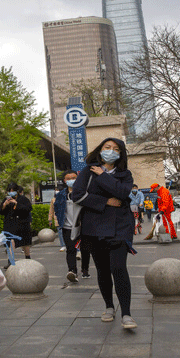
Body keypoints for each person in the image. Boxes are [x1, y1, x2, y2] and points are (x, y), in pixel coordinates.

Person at [70, 137, 137, 329]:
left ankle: (126, 313)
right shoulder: (87, 171)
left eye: (116, 149)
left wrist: (103, 175)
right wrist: (106, 201)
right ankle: (109, 306)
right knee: (103, 270)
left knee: (119, 268)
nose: (111, 151)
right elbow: (77, 195)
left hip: (120, 228)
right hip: (94, 228)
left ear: (121, 154)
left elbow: (123, 193)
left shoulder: (125, 174)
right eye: (107, 147)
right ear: (100, 150)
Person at [52, 170, 92, 282]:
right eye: (68, 178)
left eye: (73, 177)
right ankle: (72, 271)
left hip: (83, 226)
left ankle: (85, 270)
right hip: (67, 226)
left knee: (85, 249)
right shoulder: (60, 195)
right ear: (64, 181)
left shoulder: (84, 192)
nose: (71, 180)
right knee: (70, 249)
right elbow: (57, 208)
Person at [0, 183, 33, 268]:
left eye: (13, 191)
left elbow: (27, 209)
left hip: (22, 224)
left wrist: (16, 203)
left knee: (25, 243)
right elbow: (0, 211)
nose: (11, 192)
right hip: (10, 225)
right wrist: (5, 204)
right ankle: (10, 260)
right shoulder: (6, 199)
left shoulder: (23, 199)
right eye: (9, 191)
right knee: (11, 242)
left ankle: (28, 257)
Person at [49, 187, 67, 252]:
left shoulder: (66, 197)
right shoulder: (53, 199)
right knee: (60, 233)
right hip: (57, 218)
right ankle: (63, 245)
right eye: (55, 190)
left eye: (58, 190)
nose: (56, 191)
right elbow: (51, 210)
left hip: (66, 218)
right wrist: (50, 219)